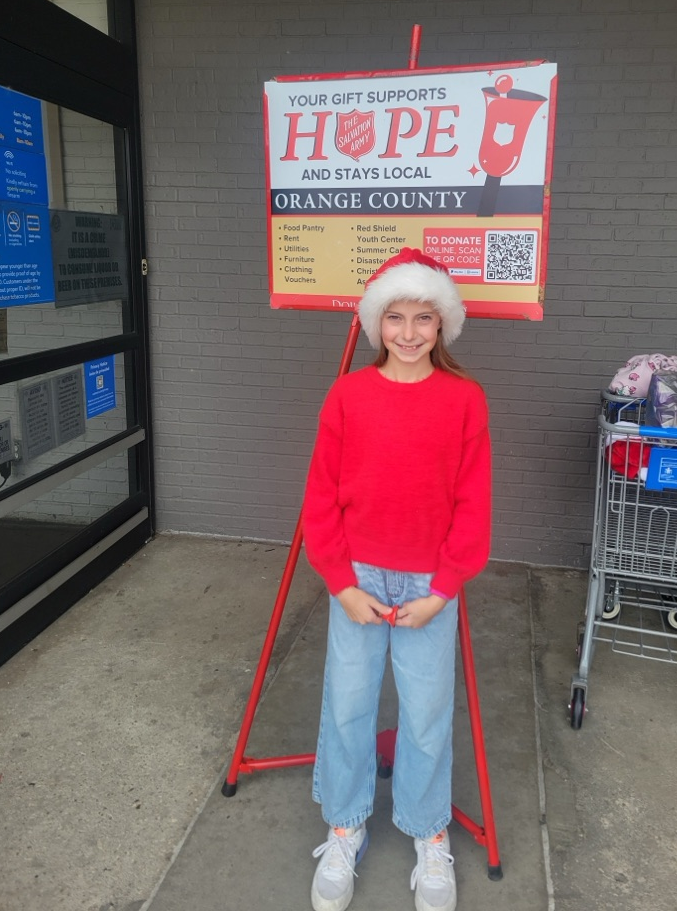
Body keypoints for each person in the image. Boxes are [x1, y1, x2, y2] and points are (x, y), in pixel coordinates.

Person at [302, 248, 492, 911]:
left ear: (443, 326)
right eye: (396, 318)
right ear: (376, 323)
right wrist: (340, 581)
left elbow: (473, 502)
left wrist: (442, 589)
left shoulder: (465, 400)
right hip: (357, 574)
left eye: (423, 319)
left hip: (428, 584)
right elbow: (321, 496)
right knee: (349, 705)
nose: (409, 333)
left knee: (426, 714)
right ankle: (346, 823)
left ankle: (427, 830)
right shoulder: (348, 394)